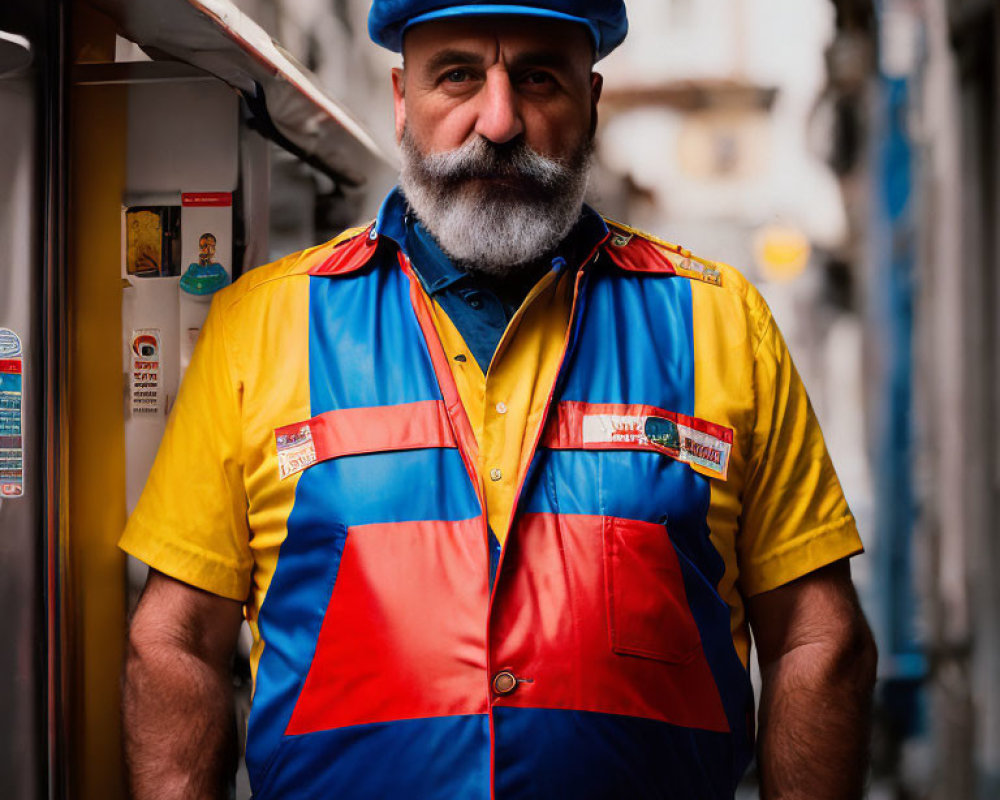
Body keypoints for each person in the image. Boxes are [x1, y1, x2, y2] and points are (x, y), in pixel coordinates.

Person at [120, 2, 877, 798]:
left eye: (538, 77)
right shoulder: (260, 327)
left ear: (591, 97)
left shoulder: (723, 326)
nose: (500, 119)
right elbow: (176, 643)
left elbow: (817, 641)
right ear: (400, 96)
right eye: (457, 75)